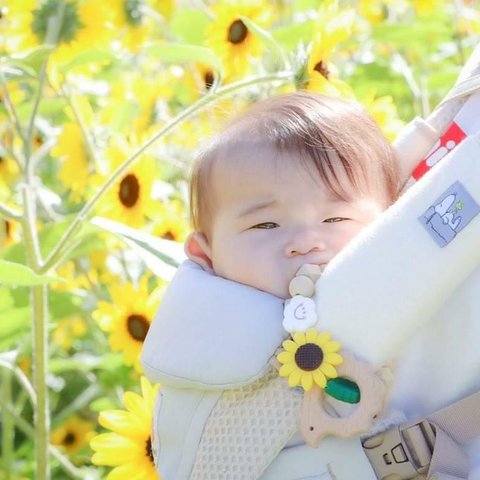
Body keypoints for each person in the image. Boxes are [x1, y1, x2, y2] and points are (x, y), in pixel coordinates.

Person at [141, 91, 480, 479]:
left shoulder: (414, 288)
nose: (305, 242)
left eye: (335, 220)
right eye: (265, 225)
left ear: (392, 220)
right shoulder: (201, 336)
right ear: (205, 255)